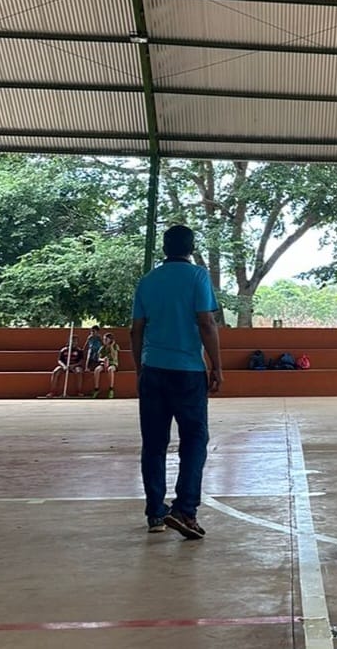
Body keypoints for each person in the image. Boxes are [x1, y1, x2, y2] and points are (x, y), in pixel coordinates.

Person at [131, 224, 222, 540]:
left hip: (153, 370)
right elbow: (207, 323)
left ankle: (156, 513)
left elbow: (136, 329)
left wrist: (139, 370)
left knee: (154, 444)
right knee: (194, 440)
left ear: (164, 249)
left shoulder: (148, 281)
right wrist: (217, 367)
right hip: (188, 372)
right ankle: (185, 509)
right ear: (191, 248)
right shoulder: (198, 277)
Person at [91, 332, 119, 398]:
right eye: (104, 339)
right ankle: (96, 389)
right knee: (97, 370)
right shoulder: (102, 348)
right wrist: (103, 359)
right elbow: (98, 358)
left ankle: (111, 389)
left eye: (106, 339)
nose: (104, 341)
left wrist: (111, 346)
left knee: (110, 369)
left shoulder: (115, 346)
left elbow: (114, 356)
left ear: (110, 340)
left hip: (112, 363)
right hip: (103, 363)